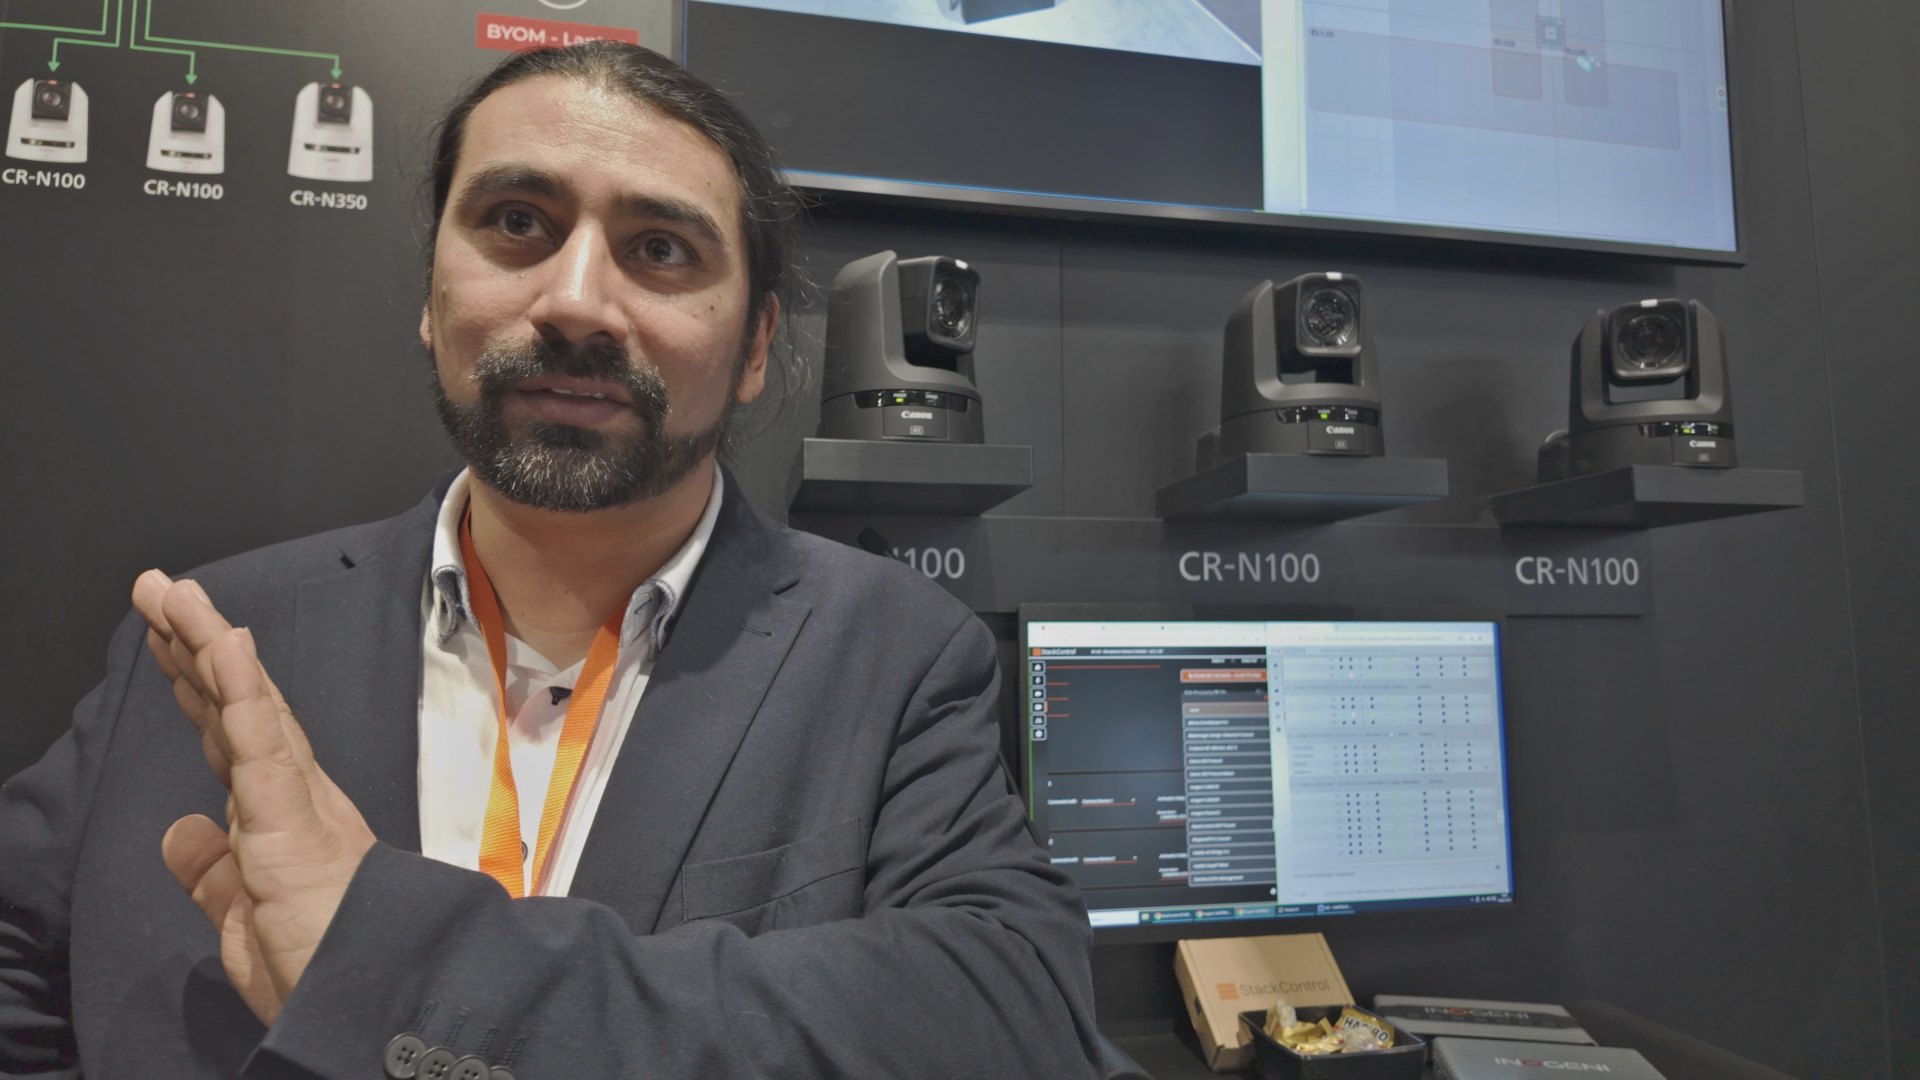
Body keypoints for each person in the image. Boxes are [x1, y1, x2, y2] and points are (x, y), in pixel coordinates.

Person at [0, 42, 1102, 1079]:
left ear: (756, 345)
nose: (576, 302)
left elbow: (1013, 1010)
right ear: (432, 298)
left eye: (660, 249)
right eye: (517, 222)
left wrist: (395, 964)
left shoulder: (890, 650)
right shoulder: (214, 637)